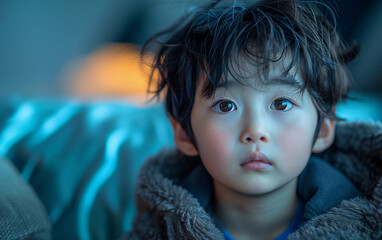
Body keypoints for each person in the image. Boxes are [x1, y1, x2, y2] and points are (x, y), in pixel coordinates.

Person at [123, 0, 382, 239]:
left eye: (281, 103)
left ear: (323, 130)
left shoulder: (365, 226)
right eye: (225, 106)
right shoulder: (157, 231)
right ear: (185, 134)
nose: (256, 130)